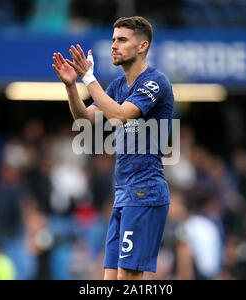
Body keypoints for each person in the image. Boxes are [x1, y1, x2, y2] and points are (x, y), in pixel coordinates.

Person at [52, 16, 174, 280]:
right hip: (123, 193)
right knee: (110, 279)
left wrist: (88, 77)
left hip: (146, 191)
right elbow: (84, 120)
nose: (114, 46)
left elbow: (119, 114)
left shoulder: (155, 82)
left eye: (121, 40)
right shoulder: (118, 85)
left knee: (128, 279)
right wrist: (72, 85)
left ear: (142, 46)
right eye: (113, 40)